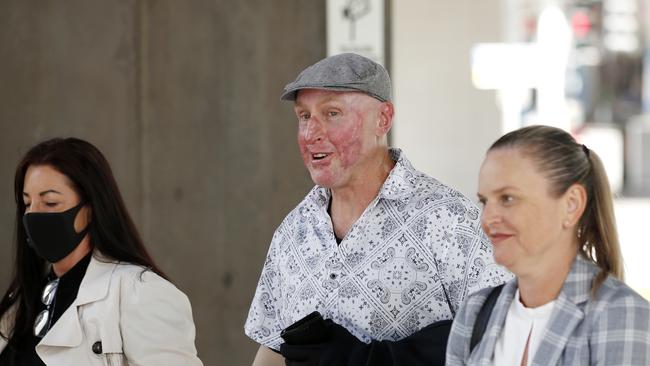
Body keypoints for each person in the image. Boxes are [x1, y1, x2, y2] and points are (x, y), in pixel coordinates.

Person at [244, 53, 511, 366]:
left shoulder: (448, 219)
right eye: (304, 116)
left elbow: (502, 332)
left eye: (331, 113)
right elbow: (273, 347)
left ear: (383, 119)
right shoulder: (293, 232)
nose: (310, 133)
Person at [446, 125, 650, 365]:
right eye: (484, 201)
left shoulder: (621, 316)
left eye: (508, 199)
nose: (488, 218)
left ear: (572, 204)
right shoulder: (475, 312)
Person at [0, 138, 203, 365]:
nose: (33, 215)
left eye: (50, 203)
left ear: (91, 208)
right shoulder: (19, 302)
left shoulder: (139, 293)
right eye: (27, 204)